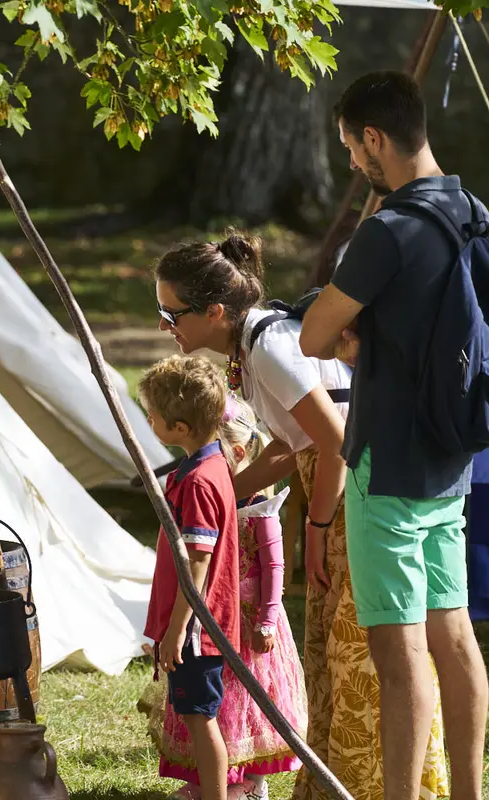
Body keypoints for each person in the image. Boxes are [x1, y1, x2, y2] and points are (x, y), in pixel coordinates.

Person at [152, 231, 448, 799]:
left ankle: (377, 787)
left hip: (362, 485)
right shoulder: (250, 346)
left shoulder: (266, 345)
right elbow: (288, 448)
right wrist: (224, 496)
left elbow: (335, 444)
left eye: (172, 314)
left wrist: (314, 528)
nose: (167, 327)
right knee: (329, 651)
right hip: (338, 483)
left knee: (358, 649)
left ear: (214, 312)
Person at [300, 70, 489, 800]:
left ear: (375, 139)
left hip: (387, 463)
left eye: (352, 147)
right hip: (453, 456)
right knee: (454, 632)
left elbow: (315, 336)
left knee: (398, 646)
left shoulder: (387, 231)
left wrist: (350, 335)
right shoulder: (472, 211)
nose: (352, 162)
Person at [147, 395, 308, 800]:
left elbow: (273, 568)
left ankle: (249, 783)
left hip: (249, 623)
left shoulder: (258, 509)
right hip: (217, 618)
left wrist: (268, 618)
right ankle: (212, 781)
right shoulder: (210, 496)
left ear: (237, 453)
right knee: (219, 705)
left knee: (246, 709)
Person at [138, 355, 242, 800]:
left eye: (153, 416)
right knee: (199, 713)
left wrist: (176, 631)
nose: (148, 420)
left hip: (197, 629)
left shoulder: (199, 481)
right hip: (197, 627)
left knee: (201, 718)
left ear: (179, 428)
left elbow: (198, 562)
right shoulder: (209, 464)